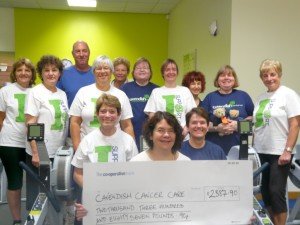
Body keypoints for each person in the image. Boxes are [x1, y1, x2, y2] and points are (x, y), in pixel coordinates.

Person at [72, 94, 138, 221]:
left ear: (119, 115)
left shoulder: (128, 140)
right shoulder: (87, 140)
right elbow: (77, 174)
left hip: (121, 199)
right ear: (97, 114)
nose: (107, 115)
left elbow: (134, 173)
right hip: (93, 198)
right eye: (103, 111)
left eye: (112, 111)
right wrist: (93, 189)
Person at [253, 59, 300, 225]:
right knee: (265, 191)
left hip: (279, 152)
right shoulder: (260, 98)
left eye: (272, 74)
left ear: (279, 74)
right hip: (260, 150)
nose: (269, 78)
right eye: (265, 75)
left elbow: (295, 124)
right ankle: (273, 222)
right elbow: (258, 123)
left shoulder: (288, 94)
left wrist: (288, 150)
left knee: (276, 191)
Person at [25, 55, 68, 210]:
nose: (51, 73)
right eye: (46, 70)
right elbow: (31, 123)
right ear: (41, 73)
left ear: (59, 73)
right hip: (40, 152)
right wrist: (36, 152)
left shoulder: (61, 94)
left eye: (54, 70)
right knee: (37, 196)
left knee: (52, 193)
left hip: (58, 152)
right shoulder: (35, 92)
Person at [70, 55, 134, 152]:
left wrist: (131, 149)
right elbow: (74, 122)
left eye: (106, 68)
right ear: (94, 72)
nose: (102, 71)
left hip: (114, 148)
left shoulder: (121, 95)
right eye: (98, 68)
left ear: (111, 71)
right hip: (88, 148)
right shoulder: (83, 92)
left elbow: (127, 125)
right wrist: (77, 148)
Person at [0, 58, 36, 225]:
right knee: (14, 182)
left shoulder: (36, 92)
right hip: (10, 143)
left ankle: (34, 217)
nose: (23, 73)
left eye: (27, 70)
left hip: (32, 144)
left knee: (34, 182)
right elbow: (1, 119)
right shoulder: (5, 91)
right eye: (20, 70)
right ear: (14, 73)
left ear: (32, 74)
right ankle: (16, 219)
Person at [202, 65, 254, 155]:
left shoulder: (243, 96)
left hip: (240, 149)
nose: (226, 78)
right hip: (214, 150)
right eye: (222, 75)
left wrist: (238, 126)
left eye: (229, 75)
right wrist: (217, 128)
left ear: (234, 79)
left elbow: (254, 122)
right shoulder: (210, 97)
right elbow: (201, 123)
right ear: (217, 80)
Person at [144, 58, 196, 137]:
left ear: (177, 72)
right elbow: (152, 115)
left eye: (174, 69)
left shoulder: (185, 91)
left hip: (182, 136)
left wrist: (186, 129)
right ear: (163, 73)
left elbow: (192, 114)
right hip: (162, 136)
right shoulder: (156, 92)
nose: (171, 72)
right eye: (167, 69)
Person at [121, 57, 158, 151]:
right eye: (138, 68)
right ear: (133, 72)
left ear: (150, 72)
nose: (142, 70)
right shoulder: (124, 89)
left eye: (145, 67)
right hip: (128, 133)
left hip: (151, 134)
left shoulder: (157, 90)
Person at [57, 40, 94, 107]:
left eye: (84, 51)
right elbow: (56, 98)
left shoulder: (97, 74)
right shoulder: (63, 75)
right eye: (78, 51)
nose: (81, 54)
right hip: (70, 117)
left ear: (89, 53)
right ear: (73, 54)